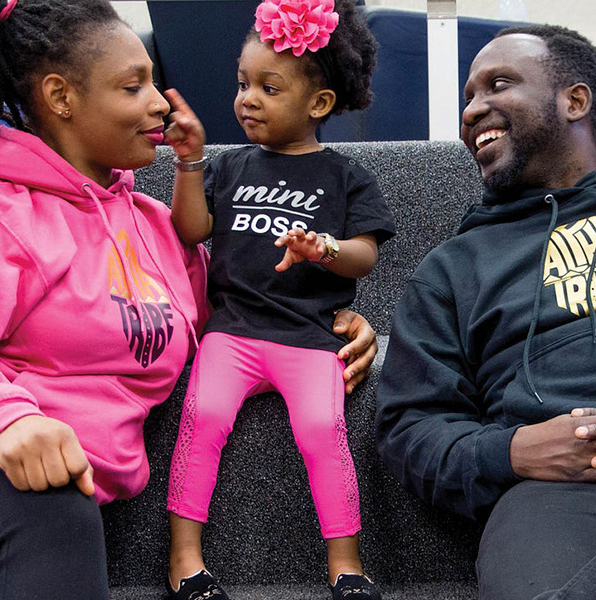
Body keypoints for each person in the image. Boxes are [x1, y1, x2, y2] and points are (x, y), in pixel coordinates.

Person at [0, 0, 379, 597]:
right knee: (53, 514)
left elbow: (233, 310)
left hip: (21, 516)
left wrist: (335, 322)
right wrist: (4, 417)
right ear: (62, 96)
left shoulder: (150, 223)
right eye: (132, 86)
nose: (161, 103)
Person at [376, 23, 596, 600]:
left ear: (575, 100)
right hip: (556, 494)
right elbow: (408, 428)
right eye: (468, 97)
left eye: (498, 84)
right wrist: (516, 451)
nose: (472, 110)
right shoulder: (451, 268)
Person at [163, 1, 395, 599]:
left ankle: (347, 565)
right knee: (202, 416)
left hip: (308, 336)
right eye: (242, 84)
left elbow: (365, 255)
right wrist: (191, 161)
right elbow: (190, 230)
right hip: (232, 332)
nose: (247, 99)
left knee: (323, 427)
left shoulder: (347, 176)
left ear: (318, 104)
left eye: (269, 87)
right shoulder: (230, 165)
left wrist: (324, 248)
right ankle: (185, 559)